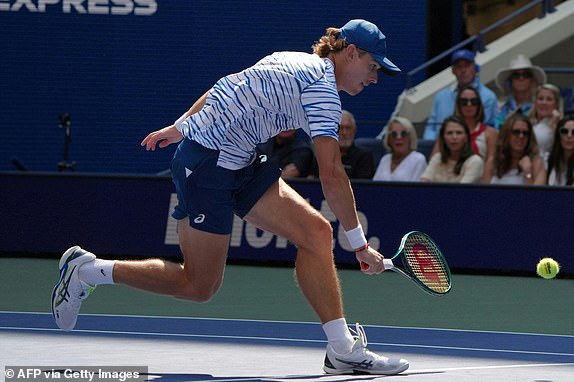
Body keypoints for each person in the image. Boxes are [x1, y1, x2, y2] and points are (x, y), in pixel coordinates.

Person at [50, 19, 409, 376]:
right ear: (350, 53)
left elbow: (223, 87)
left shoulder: (288, 58)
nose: (374, 78)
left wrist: (181, 125)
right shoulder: (323, 95)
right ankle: (87, 271)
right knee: (199, 286)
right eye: (372, 66)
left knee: (315, 232)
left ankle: (342, 350)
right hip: (207, 166)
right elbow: (332, 174)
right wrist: (360, 245)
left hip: (245, 156)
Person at [422, 49, 497, 140]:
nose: (463, 70)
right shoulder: (441, 96)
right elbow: (431, 127)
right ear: (453, 70)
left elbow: (481, 130)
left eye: (467, 66)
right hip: (440, 147)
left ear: (476, 68)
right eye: (459, 66)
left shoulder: (488, 97)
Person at [429, 85, 497, 181]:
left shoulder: (490, 133)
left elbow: (491, 161)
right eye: (464, 102)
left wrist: (484, 188)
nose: (469, 105)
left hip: (476, 182)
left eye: (473, 101)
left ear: (479, 105)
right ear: (458, 105)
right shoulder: (447, 130)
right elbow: (435, 158)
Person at [308, 110, 375, 179]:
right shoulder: (322, 155)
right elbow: (312, 181)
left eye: (348, 128)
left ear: (354, 131)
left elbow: (364, 187)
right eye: (340, 128)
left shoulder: (364, 157)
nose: (344, 133)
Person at [483, 114, 546, 185]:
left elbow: (535, 195)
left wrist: (527, 173)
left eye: (525, 133)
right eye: (516, 132)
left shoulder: (537, 163)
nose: (521, 136)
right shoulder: (493, 162)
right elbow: (483, 193)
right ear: (506, 134)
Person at [421, 116, 484, 183]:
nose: (454, 137)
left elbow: (461, 191)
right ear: (443, 138)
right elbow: (424, 184)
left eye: (459, 133)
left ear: (466, 138)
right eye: (449, 133)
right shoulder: (437, 158)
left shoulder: (475, 161)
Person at [493, 54, 546, 129]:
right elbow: (496, 131)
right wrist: (506, 124)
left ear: (532, 80)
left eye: (526, 75)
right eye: (516, 75)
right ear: (510, 80)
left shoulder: (541, 106)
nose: (521, 78)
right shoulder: (500, 107)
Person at [372, 116, 427, 181]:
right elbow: (375, 186)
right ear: (388, 139)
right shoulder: (385, 159)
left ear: (410, 138)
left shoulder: (418, 159)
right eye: (394, 134)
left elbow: (417, 189)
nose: (398, 138)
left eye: (403, 134)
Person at [528, 83, 563, 165]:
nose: (544, 102)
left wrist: (555, 125)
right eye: (540, 98)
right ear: (535, 102)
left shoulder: (562, 125)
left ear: (556, 104)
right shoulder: (529, 122)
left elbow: (561, 152)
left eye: (549, 99)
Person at [547, 115, 574, 186]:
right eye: (564, 131)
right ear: (558, 135)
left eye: (573, 132)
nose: (569, 136)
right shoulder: (547, 160)